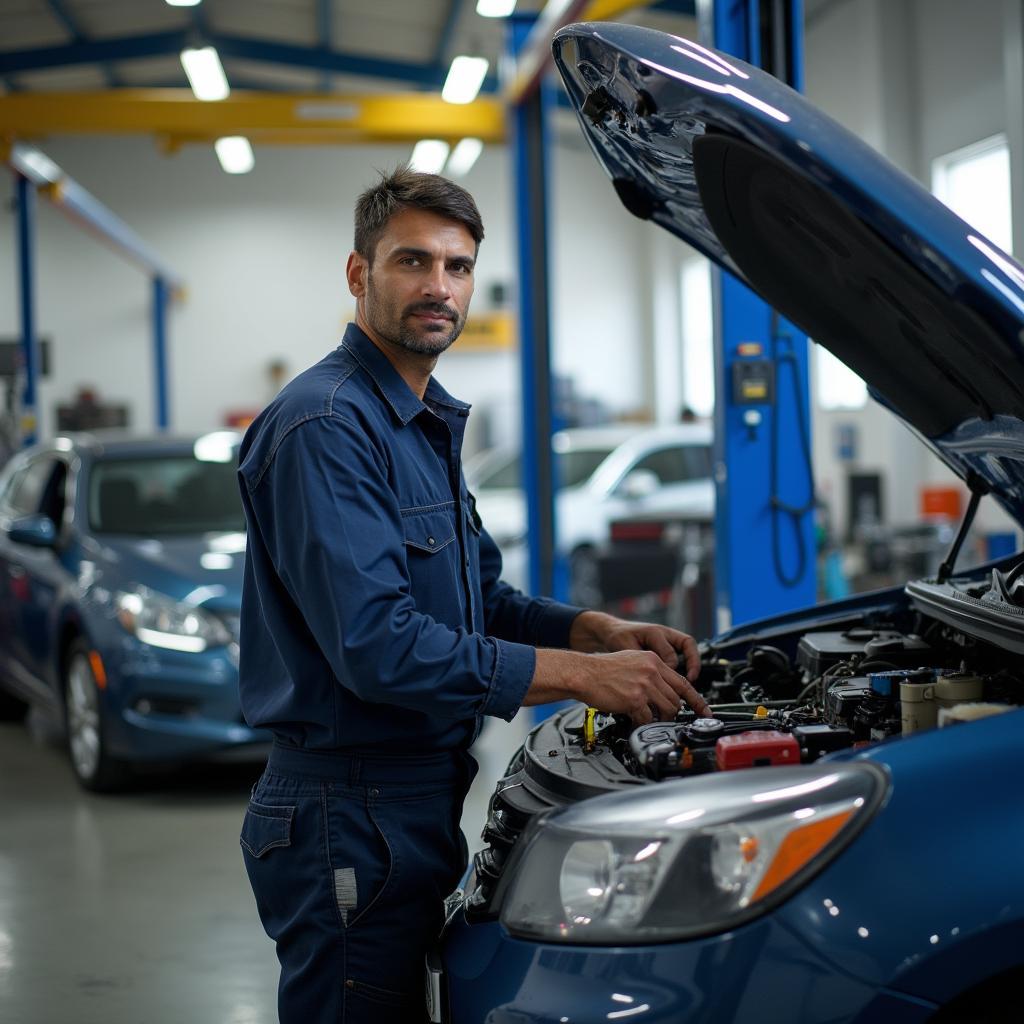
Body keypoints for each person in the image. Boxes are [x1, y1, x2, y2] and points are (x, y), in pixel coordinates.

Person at [236, 166, 711, 1024]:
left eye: (457, 267)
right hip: (348, 808)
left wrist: (592, 631)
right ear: (358, 274)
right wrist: (579, 677)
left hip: (407, 804)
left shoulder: (418, 422)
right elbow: (379, 645)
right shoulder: (326, 425)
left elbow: (476, 597)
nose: (438, 287)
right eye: (412, 262)